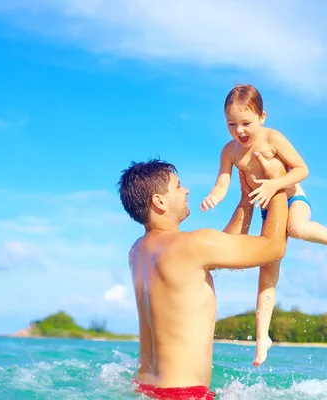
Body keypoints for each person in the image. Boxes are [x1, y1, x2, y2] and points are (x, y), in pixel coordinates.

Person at [201, 83, 327, 366]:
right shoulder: (229, 151)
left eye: (246, 123)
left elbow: (302, 169)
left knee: (298, 229)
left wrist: (274, 184)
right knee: (267, 272)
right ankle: (262, 338)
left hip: (293, 199)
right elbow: (223, 181)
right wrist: (214, 197)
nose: (239, 131)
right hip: (268, 211)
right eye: (231, 124)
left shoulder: (272, 138)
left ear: (262, 117)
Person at [118, 156, 289, 400]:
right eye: (178, 186)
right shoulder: (192, 245)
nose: (186, 190)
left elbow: (219, 251)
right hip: (183, 394)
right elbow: (273, 248)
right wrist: (278, 184)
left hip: (146, 389)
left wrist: (246, 200)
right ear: (159, 201)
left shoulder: (138, 251)